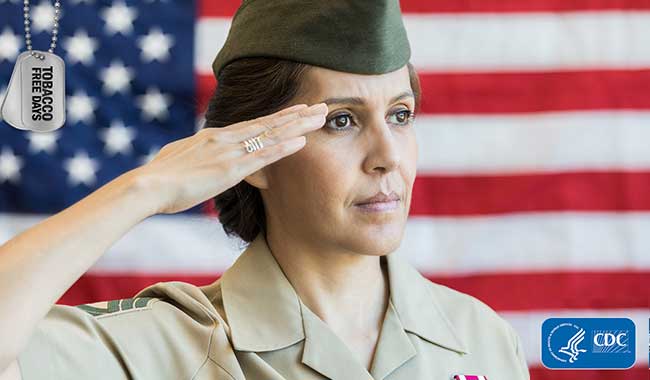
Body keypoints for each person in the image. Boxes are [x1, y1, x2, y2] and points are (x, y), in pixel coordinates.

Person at [0, 0, 531, 379]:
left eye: (400, 114)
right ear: (254, 155)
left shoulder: (480, 338)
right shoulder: (166, 344)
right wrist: (149, 187)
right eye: (341, 121)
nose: (388, 156)